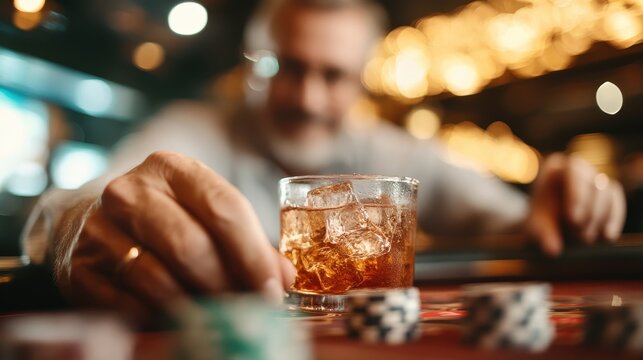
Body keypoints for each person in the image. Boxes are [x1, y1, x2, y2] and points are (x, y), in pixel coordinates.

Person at [21, 0, 626, 322]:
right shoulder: (198, 127)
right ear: (255, 63)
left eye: (333, 76)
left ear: (360, 80)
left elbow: (515, 224)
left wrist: (561, 202)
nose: (308, 99)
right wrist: (79, 224)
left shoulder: (393, 156)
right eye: (288, 67)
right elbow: (74, 205)